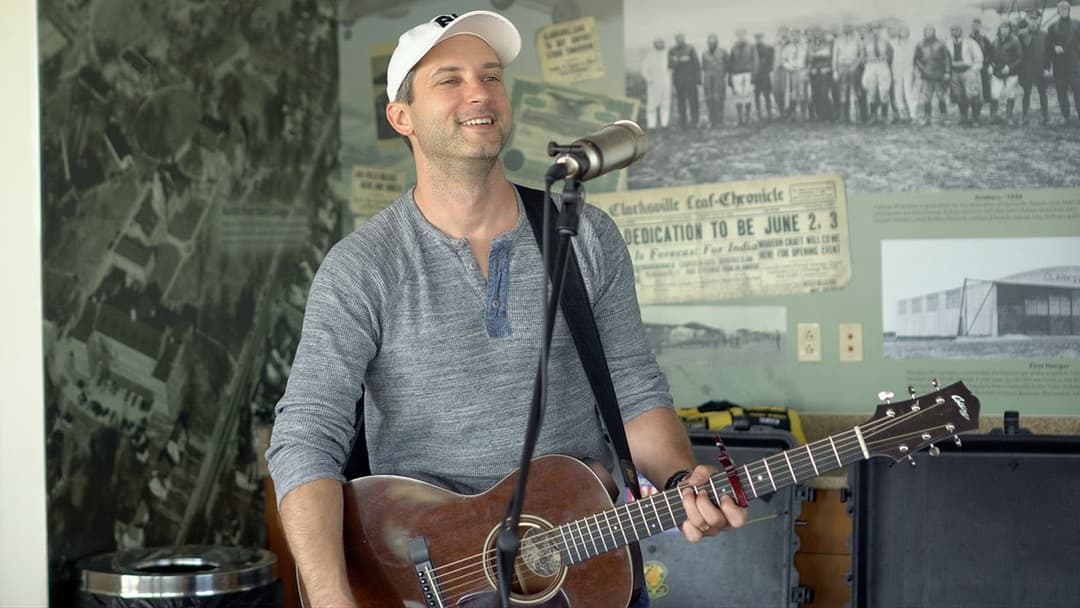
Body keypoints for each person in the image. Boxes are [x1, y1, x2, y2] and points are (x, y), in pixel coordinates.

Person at [266, 10, 746, 608]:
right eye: (450, 79)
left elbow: (634, 388)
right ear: (401, 117)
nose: (480, 93)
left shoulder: (583, 235)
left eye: (491, 76)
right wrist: (333, 598)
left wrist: (679, 478)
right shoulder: (362, 267)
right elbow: (306, 438)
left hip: (584, 570)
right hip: (422, 580)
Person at [1044, 0, 1080, 122]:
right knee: (1061, 91)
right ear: (1058, 11)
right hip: (1059, 65)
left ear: (1069, 10)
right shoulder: (1052, 27)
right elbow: (1048, 45)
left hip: (1074, 64)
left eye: (1066, 9)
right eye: (1062, 9)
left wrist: (1076, 50)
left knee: (1078, 90)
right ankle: (1066, 116)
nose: (1064, 11)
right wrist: (1054, 47)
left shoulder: (1077, 24)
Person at [946, 23, 985, 125]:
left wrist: (974, 70)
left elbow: (979, 58)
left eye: (957, 30)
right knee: (959, 95)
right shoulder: (948, 43)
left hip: (968, 71)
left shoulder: (970, 42)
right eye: (953, 30)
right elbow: (945, 59)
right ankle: (963, 116)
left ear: (961, 31)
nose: (955, 32)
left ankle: (975, 118)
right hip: (955, 72)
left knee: (973, 95)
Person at [1017, 12, 1050, 125]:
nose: (1033, 21)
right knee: (1026, 93)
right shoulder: (1021, 34)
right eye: (1031, 18)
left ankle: (1045, 117)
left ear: (1039, 19)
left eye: (1036, 19)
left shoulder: (1044, 34)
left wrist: (1047, 68)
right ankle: (1024, 116)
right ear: (1027, 20)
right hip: (1026, 69)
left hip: (1040, 68)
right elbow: (1018, 53)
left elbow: (1048, 53)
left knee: (1043, 93)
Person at [914, 25, 951, 126]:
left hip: (939, 73)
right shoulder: (920, 44)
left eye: (930, 30)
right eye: (926, 31)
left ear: (934, 32)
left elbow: (946, 58)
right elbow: (916, 60)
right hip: (926, 74)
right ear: (924, 32)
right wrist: (923, 70)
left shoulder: (941, 43)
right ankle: (927, 118)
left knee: (941, 95)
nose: (928, 32)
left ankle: (944, 117)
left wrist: (947, 72)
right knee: (927, 97)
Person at [989, 21, 1022, 124]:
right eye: (1002, 28)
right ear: (999, 29)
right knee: (995, 94)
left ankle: (1009, 117)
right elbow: (990, 55)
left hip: (1011, 73)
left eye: (1006, 28)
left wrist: (1009, 68)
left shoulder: (1015, 41)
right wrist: (991, 64)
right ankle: (993, 116)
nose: (1004, 30)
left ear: (1010, 29)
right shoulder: (995, 41)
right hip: (997, 73)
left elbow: (1020, 58)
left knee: (1010, 94)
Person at [832, 23, 865, 123]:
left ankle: (858, 116)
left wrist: (856, 65)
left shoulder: (857, 39)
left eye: (849, 27)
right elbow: (835, 56)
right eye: (845, 27)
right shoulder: (838, 40)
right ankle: (843, 117)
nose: (847, 29)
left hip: (853, 66)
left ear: (852, 29)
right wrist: (834, 70)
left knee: (855, 90)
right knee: (842, 91)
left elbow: (862, 54)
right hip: (842, 66)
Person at [862, 23, 894, 124]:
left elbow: (890, 54)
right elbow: (863, 56)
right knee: (871, 91)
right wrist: (867, 60)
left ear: (880, 31)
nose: (876, 32)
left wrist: (885, 60)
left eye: (878, 30)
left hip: (882, 65)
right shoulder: (866, 42)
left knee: (884, 91)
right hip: (871, 66)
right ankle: (873, 116)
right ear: (871, 31)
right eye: (874, 30)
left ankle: (884, 116)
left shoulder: (885, 41)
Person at [669, 33, 702, 129]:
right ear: (676, 40)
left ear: (684, 39)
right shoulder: (672, 50)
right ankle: (682, 123)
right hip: (679, 80)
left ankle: (695, 121)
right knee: (681, 102)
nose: (680, 40)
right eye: (678, 39)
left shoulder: (690, 49)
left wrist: (698, 79)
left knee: (693, 101)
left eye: (681, 38)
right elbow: (670, 65)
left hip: (691, 80)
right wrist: (679, 61)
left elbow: (697, 64)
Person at [641, 37, 672, 129]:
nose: (659, 45)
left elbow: (671, 68)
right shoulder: (650, 56)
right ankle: (651, 125)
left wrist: (670, 78)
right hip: (653, 84)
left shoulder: (668, 55)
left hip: (666, 84)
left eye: (661, 43)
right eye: (657, 43)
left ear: (663, 44)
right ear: (654, 44)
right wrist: (649, 79)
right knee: (651, 105)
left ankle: (664, 124)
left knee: (665, 104)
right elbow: (643, 70)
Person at [729, 28, 758, 125]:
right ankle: (740, 118)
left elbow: (755, 61)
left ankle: (747, 118)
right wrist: (730, 76)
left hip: (748, 74)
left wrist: (754, 75)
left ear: (745, 35)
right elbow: (731, 62)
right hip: (737, 75)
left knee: (747, 96)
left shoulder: (751, 47)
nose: (741, 37)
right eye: (739, 35)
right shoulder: (734, 47)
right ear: (737, 36)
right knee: (738, 96)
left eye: (743, 35)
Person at [891, 24, 918, 123]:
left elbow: (916, 58)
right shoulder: (893, 43)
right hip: (896, 71)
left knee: (909, 94)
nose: (903, 33)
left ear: (908, 32)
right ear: (898, 32)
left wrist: (915, 71)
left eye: (905, 31)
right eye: (901, 31)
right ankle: (903, 116)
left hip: (909, 71)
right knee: (898, 94)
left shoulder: (914, 43)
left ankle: (913, 115)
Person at [702, 33, 730, 128]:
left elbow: (727, 65)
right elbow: (704, 66)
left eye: (713, 42)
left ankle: (720, 121)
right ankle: (712, 121)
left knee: (719, 99)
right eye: (710, 42)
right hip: (708, 80)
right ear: (707, 43)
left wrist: (722, 74)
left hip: (719, 79)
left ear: (717, 42)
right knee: (709, 99)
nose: (711, 44)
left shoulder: (723, 52)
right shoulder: (704, 53)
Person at [781, 27, 809, 120]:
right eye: (793, 35)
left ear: (800, 36)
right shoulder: (787, 48)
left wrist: (806, 70)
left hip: (802, 71)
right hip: (791, 72)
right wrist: (789, 67)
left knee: (802, 93)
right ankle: (792, 114)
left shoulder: (804, 47)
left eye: (797, 35)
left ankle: (803, 114)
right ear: (791, 36)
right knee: (792, 93)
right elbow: (784, 60)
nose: (795, 37)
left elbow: (808, 60)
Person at [970, 18, 996, 108]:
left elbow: (992, 51)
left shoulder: (984, 39)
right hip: (972, 67)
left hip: (984, 66)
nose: (975, 27)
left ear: (980, 26)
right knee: (973, 86)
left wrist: (987, 61)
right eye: (973, 25)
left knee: (985, 84)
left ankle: (986, 100)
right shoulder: (969, 39)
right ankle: (974, 102)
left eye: (977, 25)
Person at [753, 32, 776, 120]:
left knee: (767, 95)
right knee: (757, 95)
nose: (759, 40)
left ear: (763, 38)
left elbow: (771, 62)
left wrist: (768, 71)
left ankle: (769, 113)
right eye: (757, 38)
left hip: (765, 75)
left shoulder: (769, 48)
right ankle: (759, 114)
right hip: (756, 75)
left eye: (760, 38)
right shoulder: (753, 49)